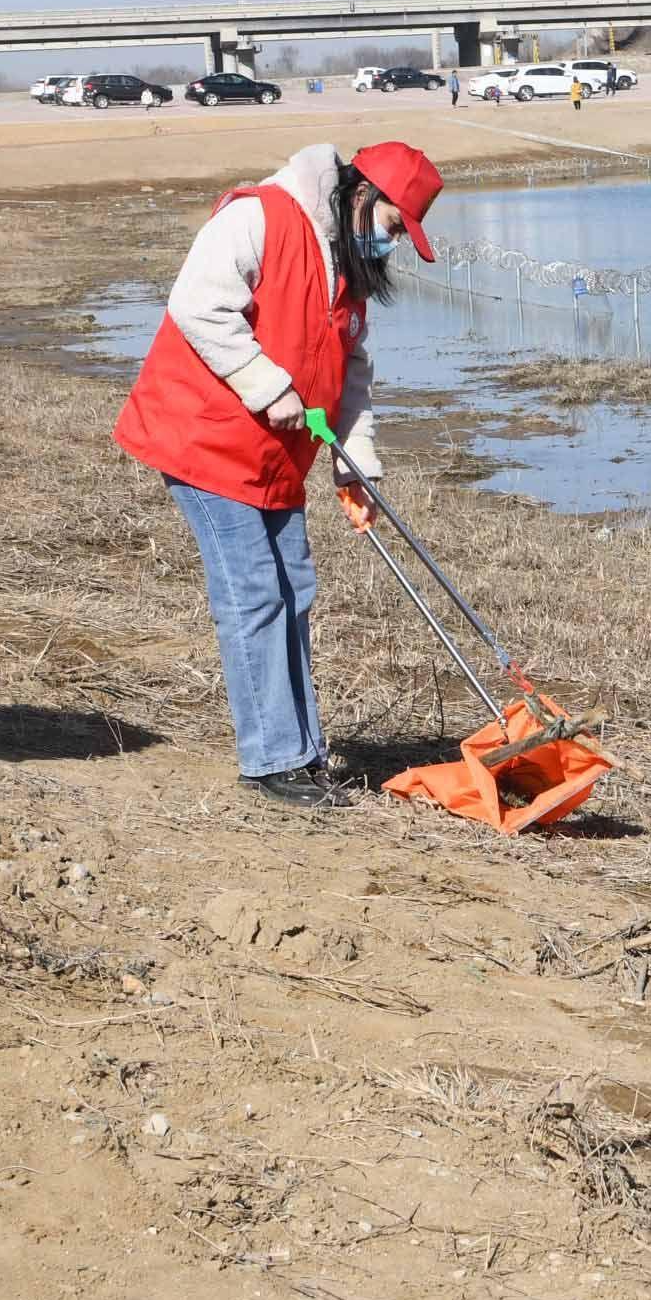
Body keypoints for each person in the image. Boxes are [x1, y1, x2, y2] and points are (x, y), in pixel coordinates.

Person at [112, 140, 442, 809]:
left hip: (273, 457)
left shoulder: (346, 269)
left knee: (296, 586)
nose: (394, 245)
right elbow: (197, 305)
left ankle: (303, 751)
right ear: (362, 196)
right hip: (203, 440)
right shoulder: (259, 216)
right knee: (255, 592)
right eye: (393, 228)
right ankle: (270, 761)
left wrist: (356, 468)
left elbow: (352, 377)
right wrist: (265, 381)